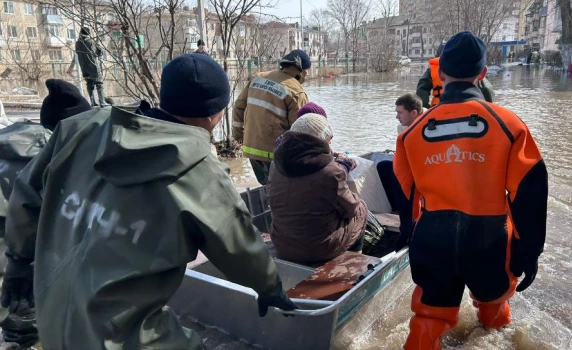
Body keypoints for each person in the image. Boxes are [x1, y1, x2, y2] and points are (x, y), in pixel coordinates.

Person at [1, 54, 296, 350]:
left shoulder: (81, 128)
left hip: (49, 315)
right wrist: (268, 287)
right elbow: (239, 246)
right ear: (215, 114)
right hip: (118, 337)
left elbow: (26, 193)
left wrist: (18, 261)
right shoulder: (201, 171)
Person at [393, 31, 548, 350]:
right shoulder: (509, 125)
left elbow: (407, 193)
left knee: (429, 318)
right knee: (494, 312)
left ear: (442, 74)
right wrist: (528, 250)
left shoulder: (412, 133)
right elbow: (530, 194)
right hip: (489, 239)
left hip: (434, 237)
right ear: (483, 74)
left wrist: (410, 235)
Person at [0, 79, 91, 348]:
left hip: (9, 252)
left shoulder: (8, 143)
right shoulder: (58, 157)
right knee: (28, 321)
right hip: (20, 258)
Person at [267, 114, 368, 264]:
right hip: (319, 249)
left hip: (281, 243)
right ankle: (355, 261)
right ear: (320, 142)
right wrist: (342, 167)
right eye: (329, 141)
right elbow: (350, 209)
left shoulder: (275, 164)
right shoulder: (332, 172)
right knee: (361, 209)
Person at [232, 49, 310, 185]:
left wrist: (238, 136)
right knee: (281, 192)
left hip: (251, 148)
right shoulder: (296, 91)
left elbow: (238, 106)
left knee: (267, 188)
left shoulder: (258, 78)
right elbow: (300, 130)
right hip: (275, 154)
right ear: (301, 71)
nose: (307, 74)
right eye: (307, 70)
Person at [376, 93, 423, 249]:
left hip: (418, 173)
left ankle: (406, 233)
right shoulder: (402, 127)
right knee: (383, 166)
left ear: (414, 113)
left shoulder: (426, 127)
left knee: (401, 180)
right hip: (405, 165)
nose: (397, 116)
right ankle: (394, 207)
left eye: (400, 112)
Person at [416, 41, 494, 108]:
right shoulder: (472, 67)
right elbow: (486, 89)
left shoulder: (432, 69)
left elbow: (421, 88)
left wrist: (425, 107)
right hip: (471, 110)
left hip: (438, 108)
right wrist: (487, 108)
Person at [76, 27, 107, 107]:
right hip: (93, 67)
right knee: (99, 84)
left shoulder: (77, 43)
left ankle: (93, 103)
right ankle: (102, 102)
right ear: (88, 33)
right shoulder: (90, 42)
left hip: (84, 68)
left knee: (89, 84)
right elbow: (99, 52)